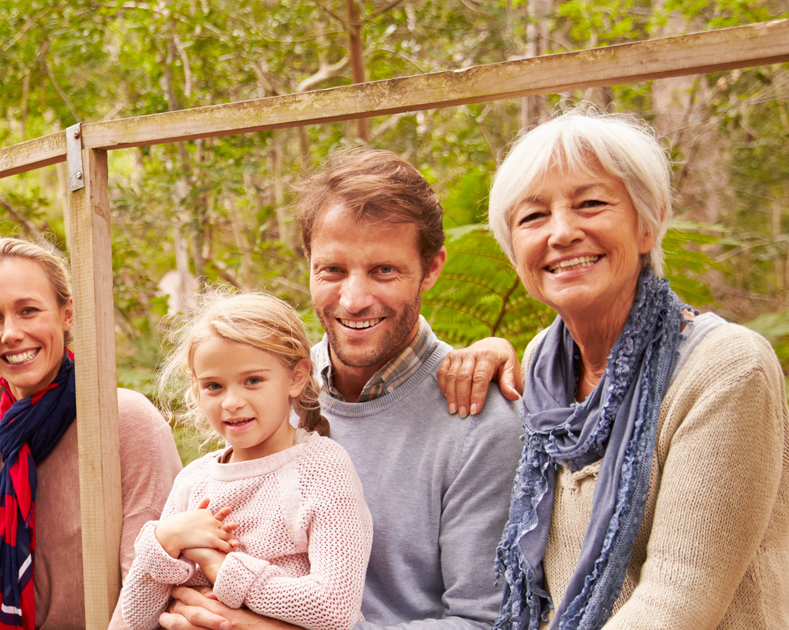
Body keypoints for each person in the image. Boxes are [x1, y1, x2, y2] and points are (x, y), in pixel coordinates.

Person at [448, 109, 789, 628]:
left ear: (648, 225)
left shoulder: (726, 369)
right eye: (533, 217)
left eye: (591, 204)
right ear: (515, 251)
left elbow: (680, 596)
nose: (561, 233)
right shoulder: (542, 362)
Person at [162, 147, 524, 630]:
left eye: (384, 270)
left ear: (432, 268)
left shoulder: (480, 421)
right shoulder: (262, 388)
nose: (353, 300)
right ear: (309, 262)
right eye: (332, 270)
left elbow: (485, 623)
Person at [0, 237, 182, 629]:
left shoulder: (122, 421)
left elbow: (149, 591)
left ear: (66, 314)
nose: (10, 333)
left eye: (28, 310)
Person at [121, 292, 373, 630]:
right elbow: (134, 621)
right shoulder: (193, 481)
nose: (232, 402)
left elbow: (333, 609)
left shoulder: (322, 469)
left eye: (252, 380)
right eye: (213, 386)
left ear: (296, 377)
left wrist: (220, 568)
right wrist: (166, 540)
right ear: (196, 390)